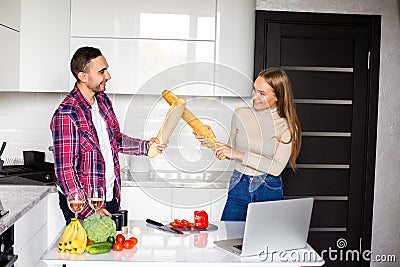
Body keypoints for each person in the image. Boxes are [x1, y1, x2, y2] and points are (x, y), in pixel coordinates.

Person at [51, 46, 167, 225]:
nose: (108, 76)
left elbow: (116, 139)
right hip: (83, 206)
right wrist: (90, 212)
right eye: (102, 71)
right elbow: (66, 171)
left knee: (110, 252)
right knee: (86, 252)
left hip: (109, 197)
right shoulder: (67, 114)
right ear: (83, 76)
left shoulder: (102, 101)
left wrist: (146, 146)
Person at [195, 67, 301, 221]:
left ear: (278, 96)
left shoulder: (287, 126)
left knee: (265, 242)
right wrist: (210, 141)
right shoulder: (241, 114)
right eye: (255, 89)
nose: (254, 96)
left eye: (262, 93)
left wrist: (238, 154)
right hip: (239, 185)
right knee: (228, 238)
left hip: (268, 188)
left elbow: (276, 168)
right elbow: (230, 151)